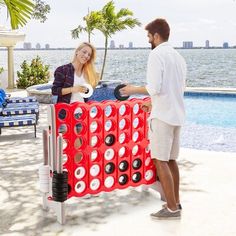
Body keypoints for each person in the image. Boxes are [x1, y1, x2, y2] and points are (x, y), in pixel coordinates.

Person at [119, 18, 187, 220]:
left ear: (156, 36)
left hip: (162, 117)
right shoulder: (178, 57)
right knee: (172, 160)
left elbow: (154, 87)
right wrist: (153, 102)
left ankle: (172, 208)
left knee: (160, 160)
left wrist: (132, 89)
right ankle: (176, 202)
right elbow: (176, 88)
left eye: (149, 36)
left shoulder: (156, 55)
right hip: (176, 115)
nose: (149, 40)